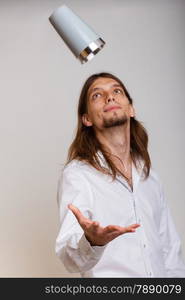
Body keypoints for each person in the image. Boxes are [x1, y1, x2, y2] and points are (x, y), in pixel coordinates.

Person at [55, 72, 185, 277]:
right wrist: (92, 242)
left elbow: (170, 251)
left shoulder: (149, 176)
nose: (110, 97)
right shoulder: (78, 175)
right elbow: (70, 258)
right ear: (86, 118)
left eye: (117, 91)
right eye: (97, 95)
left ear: (131, 109)